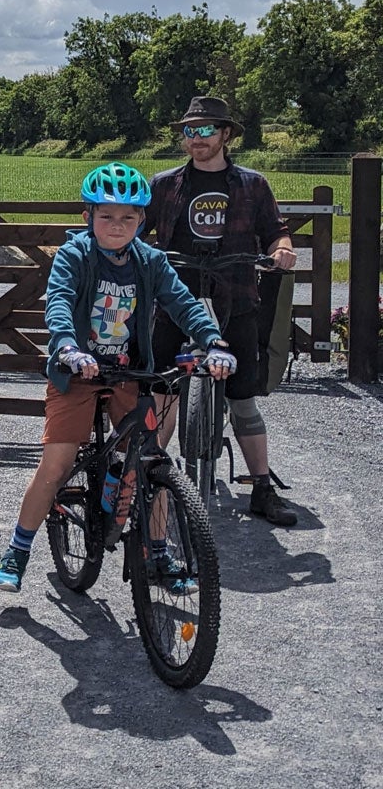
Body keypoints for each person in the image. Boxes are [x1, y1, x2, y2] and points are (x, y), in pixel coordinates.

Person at [0, 163, 236, 593]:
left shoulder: (151, 261)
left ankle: (159, 552)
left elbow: (183, 303)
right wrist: (66, 345)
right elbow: (61, 302)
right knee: (58, 462)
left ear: (143, 221)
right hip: (78, 371)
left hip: (128, 371)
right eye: (106, 215)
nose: (117, 225)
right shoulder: (75, 254)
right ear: (88, 217)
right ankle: (18, 548)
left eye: (128, 217)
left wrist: (214, 342)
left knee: (152, 461)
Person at [147, 96, 299, 526]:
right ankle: (150, 478)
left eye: (206, 130)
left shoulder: (253, 185)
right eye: (189, 131)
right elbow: (134, 230)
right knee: (162, 390)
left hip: (237, 298)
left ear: (226, 135)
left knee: (243, 399)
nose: (196, 139)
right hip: (175, 298)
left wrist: (282, 252)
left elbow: (276, 234)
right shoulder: (165, 184)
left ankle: (262, 487)